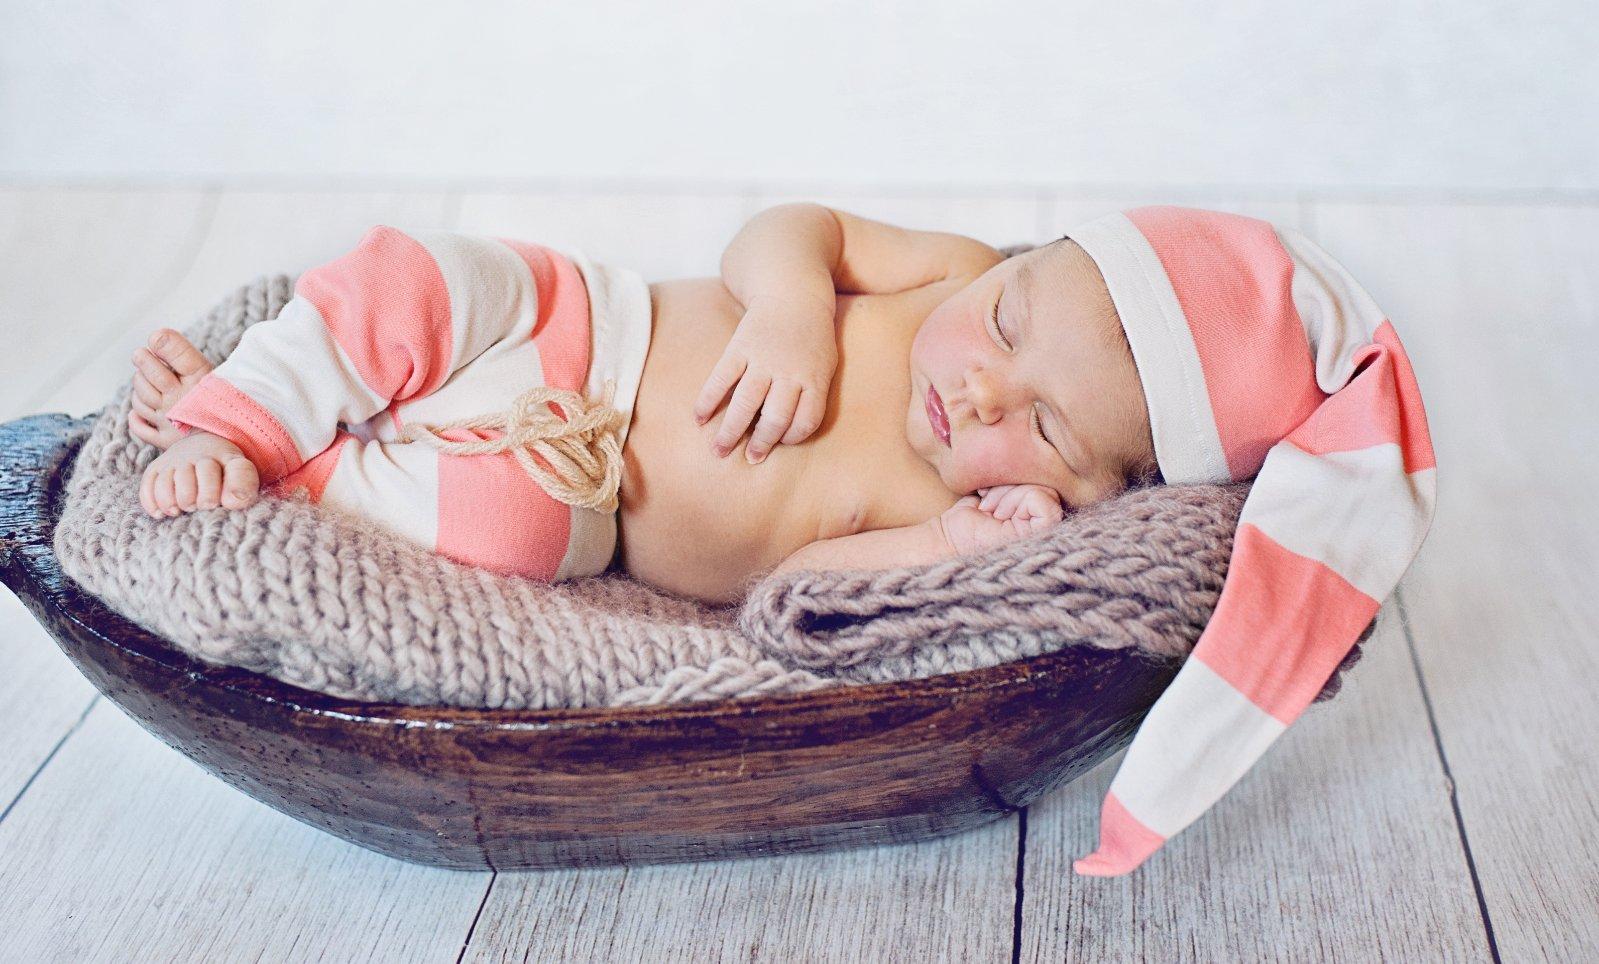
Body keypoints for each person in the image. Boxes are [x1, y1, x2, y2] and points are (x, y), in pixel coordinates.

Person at [127, 201, 1435, 876]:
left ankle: (261, 453)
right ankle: (238, 410)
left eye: (1041, 427)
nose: (982, 387)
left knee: (461, 527)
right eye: (1008, 322)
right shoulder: (947, 265)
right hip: (577, 319)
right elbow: (785, 229)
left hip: (573, 501)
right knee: (424, 277)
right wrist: (794, 309)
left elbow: (796, 594)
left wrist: (945, 549)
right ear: (1014, 264)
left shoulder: (947, 513)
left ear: (1096, 497)